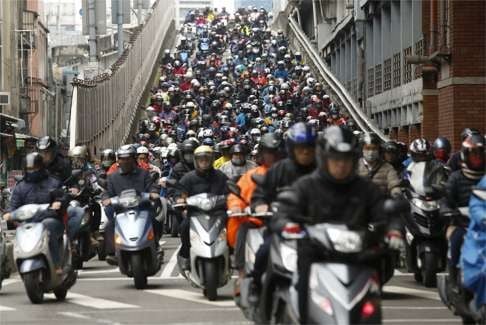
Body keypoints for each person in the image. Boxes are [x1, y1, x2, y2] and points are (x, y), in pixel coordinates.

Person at [273, 126, 403, 323]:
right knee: (300, 283)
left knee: (373, 290)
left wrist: (393, 230)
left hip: (360, 256)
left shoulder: (366, 189)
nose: (341, 165)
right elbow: (284, 211)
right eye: (335, 159)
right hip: (317, 255)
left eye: (346, 159)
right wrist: (286, 224)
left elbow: (383, 211)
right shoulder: (306, 185)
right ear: (323, 158)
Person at [227, 133, 283, 282]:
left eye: (276, 152)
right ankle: (241, 272)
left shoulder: (289, 173)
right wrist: (236, 207)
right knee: (241, 230)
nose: (273, 156)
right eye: (269, 152)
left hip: (285, 222)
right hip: (257, 221)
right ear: (262, 154)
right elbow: (236, 196)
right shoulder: (251, 175)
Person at [3, 153, 65, 273]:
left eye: (35, 168)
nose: (32, 171)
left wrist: (58, 203)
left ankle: (57, 264)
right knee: (20, 231)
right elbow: (13, 206)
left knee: (48, 225)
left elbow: (62, 197)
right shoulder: (20, 187)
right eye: (30, 169)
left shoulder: (53, 182)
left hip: (50, 220)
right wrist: (9, 214)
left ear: (41, 167)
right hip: (28, 223)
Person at [102, 145, 162, 264]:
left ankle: (156, 245)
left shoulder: (144, 174)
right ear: (118, 160)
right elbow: (107, 192)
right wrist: (106, 199)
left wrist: (153, 193)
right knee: (109, 226)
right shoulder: (113, 177)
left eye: (128, 158)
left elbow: (152, 187)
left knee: (155, 222)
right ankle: (112, 253)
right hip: (122, 211)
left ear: (134, 159)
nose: (125, 161)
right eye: (122, 158)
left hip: (142, 209)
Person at [176, 145, 229, 270]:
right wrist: (180, 199)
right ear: (196, 161)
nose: (204, 161)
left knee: (232, 224)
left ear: (211, 160)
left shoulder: (220, 176)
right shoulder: (188, 178)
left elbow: (229, 191)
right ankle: (186, 255)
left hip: (218, 213)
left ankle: (231, 253)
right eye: (201, 159)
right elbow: (180, 192)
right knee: (184, 227)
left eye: (207, 158)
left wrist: (230, 198)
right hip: (196, 214)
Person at [443, 133, 485, 288]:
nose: (477, 157)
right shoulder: (455, 177)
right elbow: (446, 199)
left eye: (480, 154)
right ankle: (454, 279)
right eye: (473, 154)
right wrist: (448, 210)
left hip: (483, 224)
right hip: (461, 223)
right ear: (465, 155)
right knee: (456, 240)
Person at [357, 133, 402, 197]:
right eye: (367, 148)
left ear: (379, 150)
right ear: (362, 149)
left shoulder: (388, 167)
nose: (371, 152)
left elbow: (394, 184)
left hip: (380, 203)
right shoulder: (354, 166)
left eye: (374, 148)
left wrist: (396, 194)